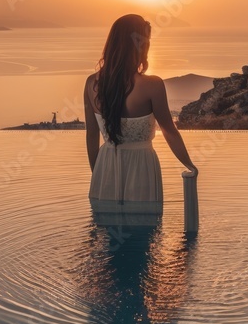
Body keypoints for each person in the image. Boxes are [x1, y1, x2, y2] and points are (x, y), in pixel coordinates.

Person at [84, 14, 197, 214]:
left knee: (107, 237)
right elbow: (169, 131)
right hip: (142, 168)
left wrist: (98, 175)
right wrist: (190, 165)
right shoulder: (152, 85)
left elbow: (91, 135)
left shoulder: (91, 83)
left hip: (105, 167)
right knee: (144, 236)